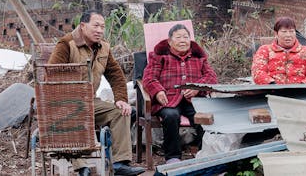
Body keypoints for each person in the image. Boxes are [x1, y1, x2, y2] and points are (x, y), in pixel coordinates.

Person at [49, 10, 145, 176]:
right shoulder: (66, 44)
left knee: (121, 112)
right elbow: (51, 74)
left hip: (91, 101)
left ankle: (120, 164)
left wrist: (121, 99)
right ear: (83, 26)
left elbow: (116, 75)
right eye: (96, 26)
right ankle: (82, 168)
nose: (100, 30)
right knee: (73, 114)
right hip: (66, 102)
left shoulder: (104, 48)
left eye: (102, 26)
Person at [141, 23, 218, 164]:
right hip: (168, 99)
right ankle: (173, 157)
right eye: (178, 37)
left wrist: (197, 88)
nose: (183, 40)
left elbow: (211, 76)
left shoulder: (198, 56)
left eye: (186, 37)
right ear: (170, 41)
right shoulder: (160, 55)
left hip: (194, 99)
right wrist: (158, 91)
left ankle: (204, 153)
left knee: (203, 116)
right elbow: (149, 77)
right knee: (171, 116)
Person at [250, 17, 306, 85]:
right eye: (284, 31)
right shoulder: (265, 50)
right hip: (272, 93)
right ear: (276, 33)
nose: (288, 35)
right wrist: (273, 85)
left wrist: (301, 87)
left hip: (301, 93)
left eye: (291, 31)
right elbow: (257, 72)